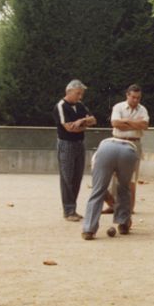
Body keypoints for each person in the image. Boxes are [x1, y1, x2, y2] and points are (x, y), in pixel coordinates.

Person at [53, 79, 96, 221]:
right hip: (66, 144)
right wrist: (84, 124)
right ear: (69, 91)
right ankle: (68, 211)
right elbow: (69, 128)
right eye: (78, 93)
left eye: (81, 94)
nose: (80, 97)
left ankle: (72, 209)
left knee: (77, 177)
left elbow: (93, 120)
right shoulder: (61, 106)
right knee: (67, 177)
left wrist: (81, 122)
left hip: (79, 143)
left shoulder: (80, 105)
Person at [80, 137, 139, 240]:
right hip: (129, 152)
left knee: (97, 191)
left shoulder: (96, 155)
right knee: (124, 188)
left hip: (106, 150)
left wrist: (110, 201)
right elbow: (130, 184)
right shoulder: (132, 151)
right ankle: (124, 224)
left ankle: (88, 229)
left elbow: (98, 187)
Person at [106, 84, 149, 214]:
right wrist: (135, 123)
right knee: (113, 175)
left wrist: (125, 121)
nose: (136, 100)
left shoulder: (143, 109)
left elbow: (145, 125)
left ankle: (129, 208)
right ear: (127, 95)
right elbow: (115, 123)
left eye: (138, 98)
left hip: (134, 143)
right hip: (118, 141)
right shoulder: (118, 107)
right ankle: (113, 205)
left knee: (132, 176)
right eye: (133, 97)